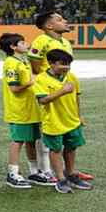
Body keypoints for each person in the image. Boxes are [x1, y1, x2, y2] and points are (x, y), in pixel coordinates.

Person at [27, 11, 91, 182]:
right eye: (60, 19)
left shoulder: (65, 43)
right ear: (49, 26)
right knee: (49, 131)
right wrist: (47, 82)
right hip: (48, 89)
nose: (65, 21)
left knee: (68, 135)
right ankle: (46, 170)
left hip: (66, 92)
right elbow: (35, 66)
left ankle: (68, 171)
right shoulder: (41, 41)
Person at [33, 49, 88, 195]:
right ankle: (60, 179)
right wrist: (62, 91)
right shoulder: (41, 79)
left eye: (69, 64)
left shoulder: (71, 77)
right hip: (53, 122)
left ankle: (71, 174)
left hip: (72, 120)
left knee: (72, 147)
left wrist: (79, 115)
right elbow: (42, 100)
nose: (66, 67)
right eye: (63, 64)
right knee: (56, 149)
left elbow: (76, 97)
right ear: (51, 63)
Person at [0, 33, 48, 188]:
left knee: (31, 140)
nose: (27, 44)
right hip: (19, 109)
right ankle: (12, 173)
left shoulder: (23, 60)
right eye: (22, 42)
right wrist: (31, 82)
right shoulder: (11, 63)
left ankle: (34, 171)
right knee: (18, 140)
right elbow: (14, 88)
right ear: (13, 47)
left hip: (30, 108)